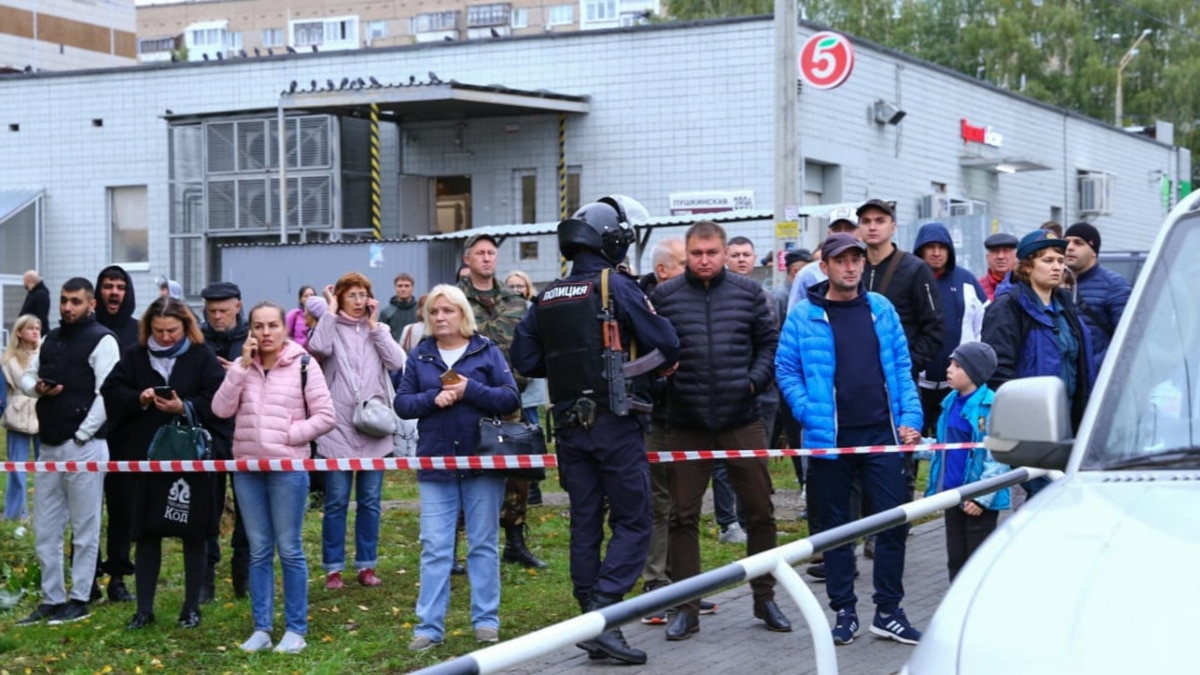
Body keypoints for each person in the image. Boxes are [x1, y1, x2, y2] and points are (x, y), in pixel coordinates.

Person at [513, 195, 679, 664]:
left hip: (568, 427)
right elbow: (666, 342)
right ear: (612, 241)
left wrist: (572, 366)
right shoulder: (615, 285)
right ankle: (604, 611)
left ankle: (590, 619)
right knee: (634, 520)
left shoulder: (546, 294)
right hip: (615, 422)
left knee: (585, 523)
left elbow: (524, 360)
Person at [776, 233, 924, 646]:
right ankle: (843, 611)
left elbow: (901, 367)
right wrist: (809, 412)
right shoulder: (804, 315)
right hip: (830, 441)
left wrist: (910, 418)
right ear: (824, 267)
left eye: (857, 259)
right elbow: (786, 370)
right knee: (836, 530)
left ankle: (889, 612)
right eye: (842, 260)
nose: (851, 267)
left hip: (882, 435)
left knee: (892, 524)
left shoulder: (881, 309)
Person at [650, 220, 792, 641]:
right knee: (682, 515)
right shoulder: (665, 297)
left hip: (741, 418)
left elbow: (770, 344)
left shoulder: (749, 293)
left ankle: (764, 596)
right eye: (697, 254)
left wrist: (752, 381)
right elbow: (652, 353)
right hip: (685, 422)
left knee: (761, 510)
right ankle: (686, 607)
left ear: (726, 252)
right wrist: (666, 385)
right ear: (686, 255)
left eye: (712, 252)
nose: (705, 260)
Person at [395, 284, 521, 652]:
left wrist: (471, 390)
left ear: (462, 313)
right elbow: (402, 404)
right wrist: (434, 399)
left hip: (482, 462)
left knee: (483, 544)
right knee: (435, 547)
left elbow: (510, 397)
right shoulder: (420, 356)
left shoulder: (486, 350)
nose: (440, 317)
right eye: (434, 312)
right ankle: (429, 627)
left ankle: (486, 621)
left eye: (448, 310)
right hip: (436, 463)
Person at [211, 301, 336, 654]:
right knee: (259, 550)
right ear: (250, 331)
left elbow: (326, 416)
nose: (266, 333)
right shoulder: (242, 367)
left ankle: (296, 629)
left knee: (291, 549)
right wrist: (239, 368)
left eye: (272, 326)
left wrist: (289, 435)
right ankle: (262, 628)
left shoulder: (304, 364)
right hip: (248, 470)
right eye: (258, 326)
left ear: (284, 328)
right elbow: (220, 410)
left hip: (287, 470)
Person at [101, 297, 226, 630]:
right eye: (159, 331)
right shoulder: (135, 355)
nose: (166, 337)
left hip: (191, 456)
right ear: (148, 329)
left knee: (194, 531)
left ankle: (191, 607)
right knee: (146, 532)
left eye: (172, 330)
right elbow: (111, 390)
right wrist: (138, 398)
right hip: (145, 456)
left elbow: (219, 399)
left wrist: (183, 408)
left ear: (186, 326)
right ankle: (144, 609)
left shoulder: (202, 357)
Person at [15, 277, 120, 626]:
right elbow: (27, 379)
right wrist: (38, 388)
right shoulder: (50, 339)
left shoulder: (103, 339)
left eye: (75, 301)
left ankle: (80, 597)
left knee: (85, 526)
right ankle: (51, 597)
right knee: (45, 527)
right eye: (63, 300)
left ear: (91, 304)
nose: (67, 307)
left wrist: (82, 435)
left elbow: (110, 393)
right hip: (49, 445)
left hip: (85, 446)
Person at [306, 272, 407, 590]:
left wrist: (376, 328)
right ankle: (333, 568)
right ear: (340, 298)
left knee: (370, 500)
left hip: (374, 428)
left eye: (363, 294)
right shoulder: (330, 326)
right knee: (336, 500)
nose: (359, 301)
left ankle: (366, 565)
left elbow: (397, 362)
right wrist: (331, 310)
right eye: (352, 295)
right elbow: (317, 347)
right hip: (337, 427)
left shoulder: (380, 330)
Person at [981, 230, 1095, 496]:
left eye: (1059, 260)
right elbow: (998, 373)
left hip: (1070, 421)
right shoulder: (1008, 307)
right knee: (1050, 495)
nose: (1057, 266)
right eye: (1047, 260)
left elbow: (1081, 364)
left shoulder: (1065, 306)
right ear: (1027, 265)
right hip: (1032, 428)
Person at [458, 234, 545, 569]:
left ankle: (515, 543)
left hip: (509, 400)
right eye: (479, 252)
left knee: (515, 474)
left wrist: (517, 381)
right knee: (463, 473)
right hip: (466, 403)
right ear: (468, 259)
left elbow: (529, 347)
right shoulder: (456, 299)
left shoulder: (514, 300)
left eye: (491, 252)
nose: (486, 258)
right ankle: (454, 549)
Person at [925, 341, 1010, 581]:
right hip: (954, 495)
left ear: (975, 373)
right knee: (956, 560)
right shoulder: (949, 402)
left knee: (977, 563)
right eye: (950, 364)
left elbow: (998, 456)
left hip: (978, 500)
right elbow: (944, 444)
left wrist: (982, 496)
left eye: (957, 366)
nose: (948, 370)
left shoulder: (991, 405)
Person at [198, 281, 251, 601]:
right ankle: (206, 577)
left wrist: (239, 373)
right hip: (209, 434)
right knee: (208, 508)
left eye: (223, 310)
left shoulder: (252, 339)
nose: (217, 316)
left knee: (247, 508)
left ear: (237, 306)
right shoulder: (198, 341)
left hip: (245, 433)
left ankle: (242, 574)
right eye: (211, 311)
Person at [912, 222, 987, 436]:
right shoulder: (910, 279)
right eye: (930, 247)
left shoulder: (967, 280)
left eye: (942, 247)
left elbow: (984, 324)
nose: (936, 253)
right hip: (917, 382)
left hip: (958, 385)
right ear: (920, 249)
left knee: (954, 443)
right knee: (909, 443)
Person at [93, 265, 140, 603]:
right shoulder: (88, 331)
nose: (113, 292)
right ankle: (88, 574)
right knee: (88, 510)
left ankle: (119, 577)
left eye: (120, 287)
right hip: (89, 434)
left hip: (125, 434)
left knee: (123, 510)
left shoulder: (137, 333)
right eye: (108, 286)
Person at [1063, 222, 1131, 370]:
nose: (1069, 247)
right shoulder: (1055, 283)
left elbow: (1127, 338)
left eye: (1078, 243)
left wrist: (1091, 368)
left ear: (1094, 251)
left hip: (1097, 378)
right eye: (1066, 242)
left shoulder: (1114, 285)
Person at [505, 270, 547, 504]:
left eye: (519, 285)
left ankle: (534, 486)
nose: (515, 290)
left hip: (528, 386)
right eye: (511, 285)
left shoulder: (534, 309)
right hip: (508, 385)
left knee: (532, 433)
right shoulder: (504, 310)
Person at [2, 314, 41, 521]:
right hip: (17, 415)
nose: (35, 331)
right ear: (19, 332)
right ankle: (16, 513)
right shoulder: (8, 360)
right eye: (30, 328)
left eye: (37, 327)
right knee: (16, 466)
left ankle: (46, 512)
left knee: (47, 466)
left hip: (42, 414)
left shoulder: (47, 354)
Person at [788, 205, 858, 312]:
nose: (843, 234)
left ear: (860, 233)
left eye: (849, 229)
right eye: (836, 229)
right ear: (829, 234)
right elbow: (794, 319)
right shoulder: (807, 275)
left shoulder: (869, 268)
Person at [978, 232, 1018, 302]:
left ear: (1015, 257)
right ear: (987, 258)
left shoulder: (1026, 286)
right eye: (995, 251)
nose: (1000, 256)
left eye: (1006, 251)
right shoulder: (978, 288)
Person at [379, 272, 419, 342]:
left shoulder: (420, 311)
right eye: (400, 286)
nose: (403, 289)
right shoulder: (386, 312)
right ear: (395, 287)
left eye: (407, 286)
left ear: (412, 287)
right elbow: (381, 336)